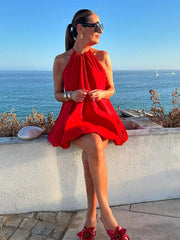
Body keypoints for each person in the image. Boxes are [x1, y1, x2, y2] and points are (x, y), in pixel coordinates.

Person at [48, 9, 130, 240]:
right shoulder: (60, 60)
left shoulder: (103, 56)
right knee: (93, 144)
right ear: (81, 29)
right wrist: (70, 95)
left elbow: (112, 89)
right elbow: (57, 94)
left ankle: (89, 221)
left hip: (102, 117)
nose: (101, 30)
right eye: (97, 25)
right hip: (75, 118)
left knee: (89, 157)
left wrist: (102, 94)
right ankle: (106, 214)